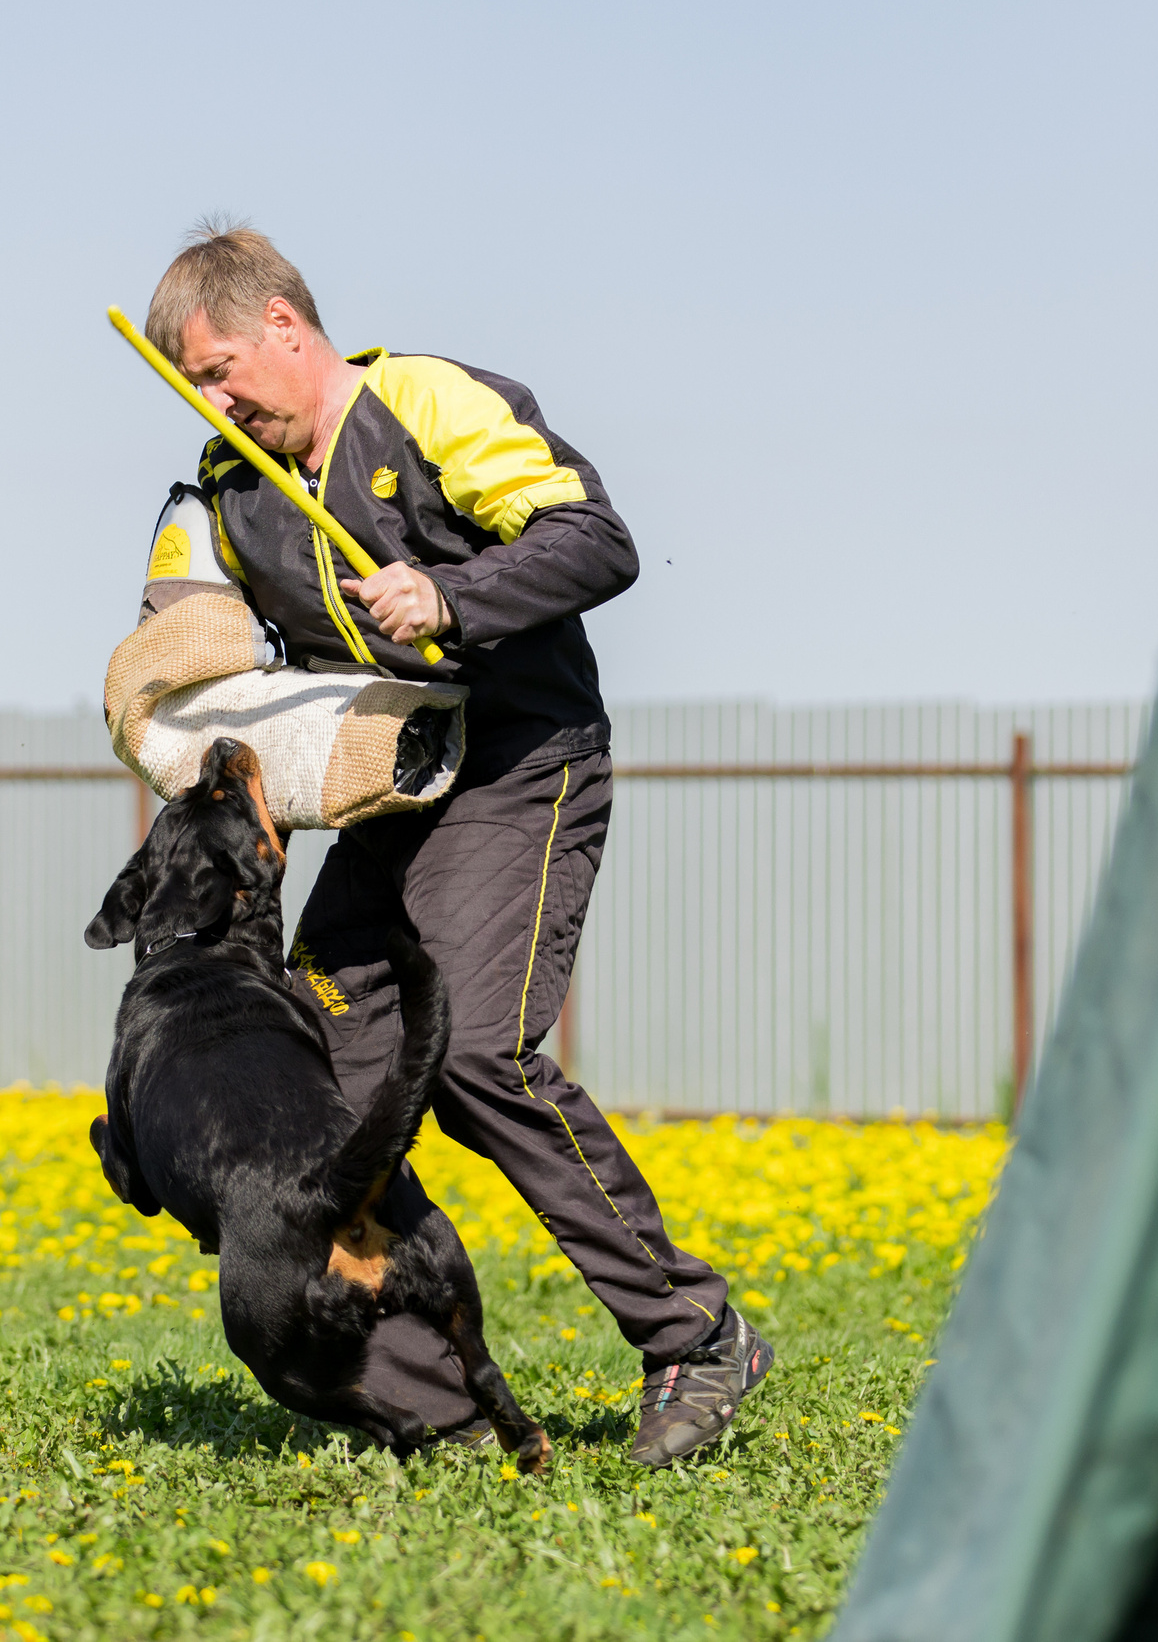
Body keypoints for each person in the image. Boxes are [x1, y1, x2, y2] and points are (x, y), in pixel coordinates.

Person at [127, 222, 771, 1468]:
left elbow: (596, 540)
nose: (210, 402)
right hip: (393, 793)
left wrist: (450, 595)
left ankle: (692, 1332)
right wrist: (156, 674)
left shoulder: (429, 402)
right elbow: (172, 627)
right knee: (325, 1092)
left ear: (281, 323)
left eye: (216, 370)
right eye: (189, 387)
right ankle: (440, 1412)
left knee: (477, 1058)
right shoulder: (220, 484)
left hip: (523, 766)